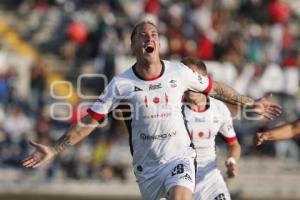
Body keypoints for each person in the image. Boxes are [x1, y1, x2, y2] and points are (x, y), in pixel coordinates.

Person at [22, 20, 281, 200]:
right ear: (134, 45)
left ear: (160, 43)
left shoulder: (179, 72)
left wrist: (249, 103)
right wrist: (55, 150)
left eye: (154, 34)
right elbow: (90, 121)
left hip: (179, 157)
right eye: (143, 35)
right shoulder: (121, 84)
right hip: (146, 167)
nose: (150, 38)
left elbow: (216, 89)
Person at [182, 58, 241, 200]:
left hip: (209, 177)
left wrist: (232, 161)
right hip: (179, 177)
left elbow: (233, 144)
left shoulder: (219, 108)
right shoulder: (173, 108)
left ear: (204, 81)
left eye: (193, 79)